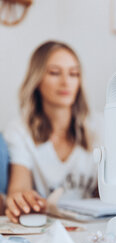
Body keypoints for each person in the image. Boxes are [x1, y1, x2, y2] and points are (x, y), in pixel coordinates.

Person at [3, 41, 101, 223]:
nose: (66, 82)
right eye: (55, 73)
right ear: (37, 79)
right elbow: (19, 187)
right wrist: (20, 200)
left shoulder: (99, 127)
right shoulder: (19, 131)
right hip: (48, 227)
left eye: (74, 74)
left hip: (93, 228)